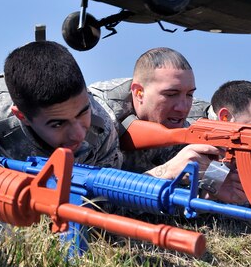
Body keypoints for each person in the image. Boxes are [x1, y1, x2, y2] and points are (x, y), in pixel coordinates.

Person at [0, 40, 122, 168]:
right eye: (58, 123)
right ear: (22, 116)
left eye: (82, 113)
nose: (78, 134)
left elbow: (105, 204)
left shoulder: (102, 129)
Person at [88, 47, 217, 180]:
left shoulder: (181, 129)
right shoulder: (97, 118)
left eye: (190, 94)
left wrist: (212, 189)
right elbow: (84, 190)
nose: (183, 107)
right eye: (171, 95)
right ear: (139, 93)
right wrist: (165, 172)